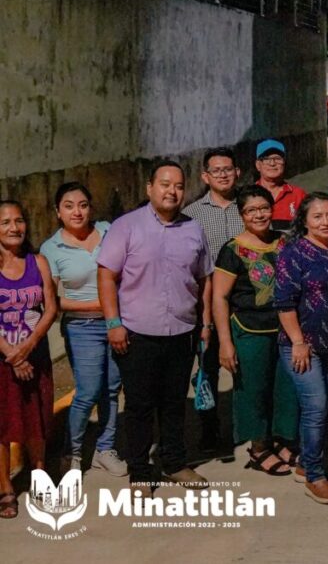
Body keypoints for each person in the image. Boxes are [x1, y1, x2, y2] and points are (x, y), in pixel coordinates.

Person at [97, 160, 213, 492]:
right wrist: (113, 323)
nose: (172, 191)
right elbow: (106, 276)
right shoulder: (126, 226)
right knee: (139, 406)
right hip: (136, 334)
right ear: (150, 188)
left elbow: (204, 279)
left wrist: (205, 323)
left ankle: (174, 463)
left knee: (174, 403)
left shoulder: (194, 229)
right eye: (165, 184)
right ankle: (140, 470)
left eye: (178, 185)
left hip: (182, 331)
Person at [213, 185, 299, 478]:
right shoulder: (232, 250)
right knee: (253, 390)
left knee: (285, 388)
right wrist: (225, 342)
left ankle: (282, 441)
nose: (259, 215)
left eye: (264, 208)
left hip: (285, 328)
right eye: (251, 210)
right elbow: (220, 297)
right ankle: (259, 447)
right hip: (250, 329)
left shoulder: (284, 242)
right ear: (242, 215)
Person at [40, 183, 126, 476]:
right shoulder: (51, 248)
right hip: (81, 327)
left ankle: (105, 449)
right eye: (68, 206)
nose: (77, 212)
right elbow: (52, 301)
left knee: (112, 389)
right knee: (88, 391)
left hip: (117, 323)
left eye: (83, 205)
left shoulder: (108, 231)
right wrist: (100, 304)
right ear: (58, 212)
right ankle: (72, 453)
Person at [275, 193, 328, 505]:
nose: (326, 222)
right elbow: (284, 303)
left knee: (325, 406)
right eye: (318, 216)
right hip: (302, 345)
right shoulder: (293, 253)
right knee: (316, 406)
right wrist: (298, 341)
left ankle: (304, 463)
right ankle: (314, 475)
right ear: (305, 221)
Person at [184, 146, 245, 454]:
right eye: (216, 171)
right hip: (208, 306)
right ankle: (209, 431)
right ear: (205, 176)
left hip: (245, 306)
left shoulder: (248, 206)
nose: (223, 175)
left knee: (246, 369)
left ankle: (246, 429)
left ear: (238, 172)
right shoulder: (192, 214)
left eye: (228, 169)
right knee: (208, 369)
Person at [0, 201, 58, 519]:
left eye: (19, 220)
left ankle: (39, 477)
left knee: (37, 420)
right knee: (2, 424)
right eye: (5, 222)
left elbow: (50, 308)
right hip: (3, 360)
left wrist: (30, 345)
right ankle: (5, 489)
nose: (14, 227)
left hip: (36, 356)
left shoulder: (39, 262)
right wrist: (12, 354)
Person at [255, 139, 307, 231]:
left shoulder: (299, 195)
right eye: (266, 159)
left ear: (284, 163)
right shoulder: (248, 195)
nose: (272, 163)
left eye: (277, 159)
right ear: (258, 165)